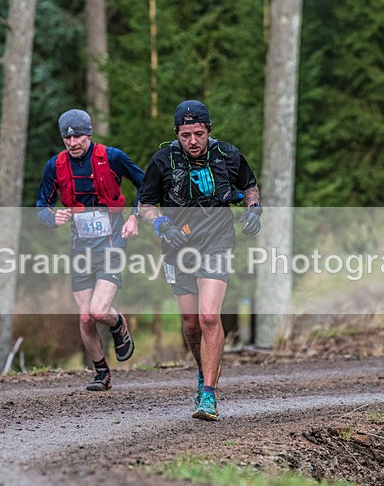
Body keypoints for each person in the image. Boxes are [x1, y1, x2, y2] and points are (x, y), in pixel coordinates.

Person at [139, 100, 262, 420]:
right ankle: (204, 369)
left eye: (198, 133)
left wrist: (254, 210)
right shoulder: (162, 160)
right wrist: (160, 224)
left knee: (208, 316)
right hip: (177, 247)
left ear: (209, 130)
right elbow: (145, 204)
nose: (192, 141)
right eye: (185, 135)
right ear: (176, 134)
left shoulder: (228, 155)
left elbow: (249, 186)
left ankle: (208, 394)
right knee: (191, 323)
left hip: (217, 243)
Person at [36, 109, 144, 391]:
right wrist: (52, 217)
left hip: (111, 243)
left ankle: (118, 323)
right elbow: (41, 206)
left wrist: (135, 217)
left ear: (89, 134)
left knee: (98, 311)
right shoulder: (55, 166)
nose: (72, 143)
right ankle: (101, 373)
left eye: (78, 136)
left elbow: (147, 185)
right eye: (66, 138)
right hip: (79, 246)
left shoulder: (112, 157)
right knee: (85, 317)